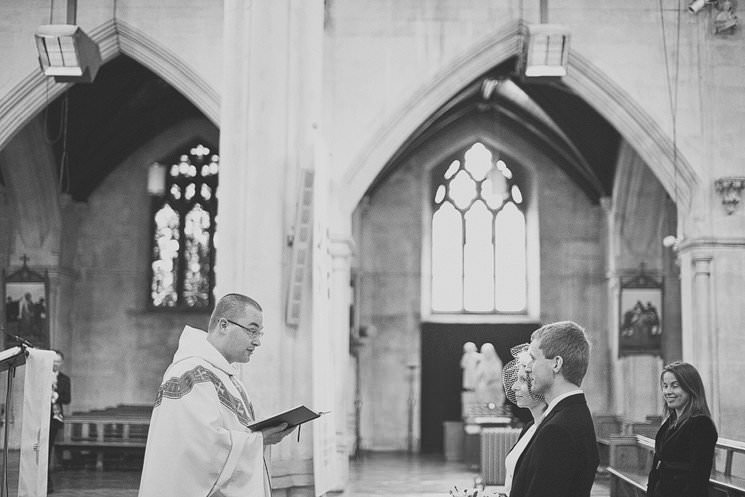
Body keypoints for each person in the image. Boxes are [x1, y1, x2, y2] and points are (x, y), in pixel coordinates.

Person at [138, 294, 296, 497]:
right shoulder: (191, 372)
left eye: (259, 333)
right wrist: (259, 440)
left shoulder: (227, 377)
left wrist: (259, 435)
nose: (257, 342)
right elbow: (199, 448)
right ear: (223, 325)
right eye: (252, 331)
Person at [510, 321, 599, 497]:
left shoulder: (558, 429)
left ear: (556, 364)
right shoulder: (569, 413)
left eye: (533, 359)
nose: (528, 367)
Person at [646, 361, 717, 497]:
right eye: (665, 386)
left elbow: (697, 479)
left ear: (691, 388)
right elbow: (656, 469)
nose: (668, 392)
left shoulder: (701, 425)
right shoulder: (670, 422)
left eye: (675, 386)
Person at [499, 344, 548, 497]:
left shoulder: (550, 431)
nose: (513, 387)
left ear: (537, 384)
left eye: (521, 380)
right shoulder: (529, 427)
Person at [48, 350, 71, 494]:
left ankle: (48, 485)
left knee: (48, 450)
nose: (55, 364)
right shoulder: (42, 376)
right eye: (53, 361)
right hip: (40, 416)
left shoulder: (64, 379)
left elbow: (68, 399)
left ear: (61, 363)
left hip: (54, 419)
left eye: (58, 361)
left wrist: (56, 395)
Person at [475, 342, 505, 407]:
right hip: (485, 388)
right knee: (482, 388)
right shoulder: (482, 363)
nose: (487, 354)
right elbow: (478, 376)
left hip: (495, 386)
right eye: (485, 352)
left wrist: (490, 380)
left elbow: (498, 375)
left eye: (488, 352)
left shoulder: (497, 362)